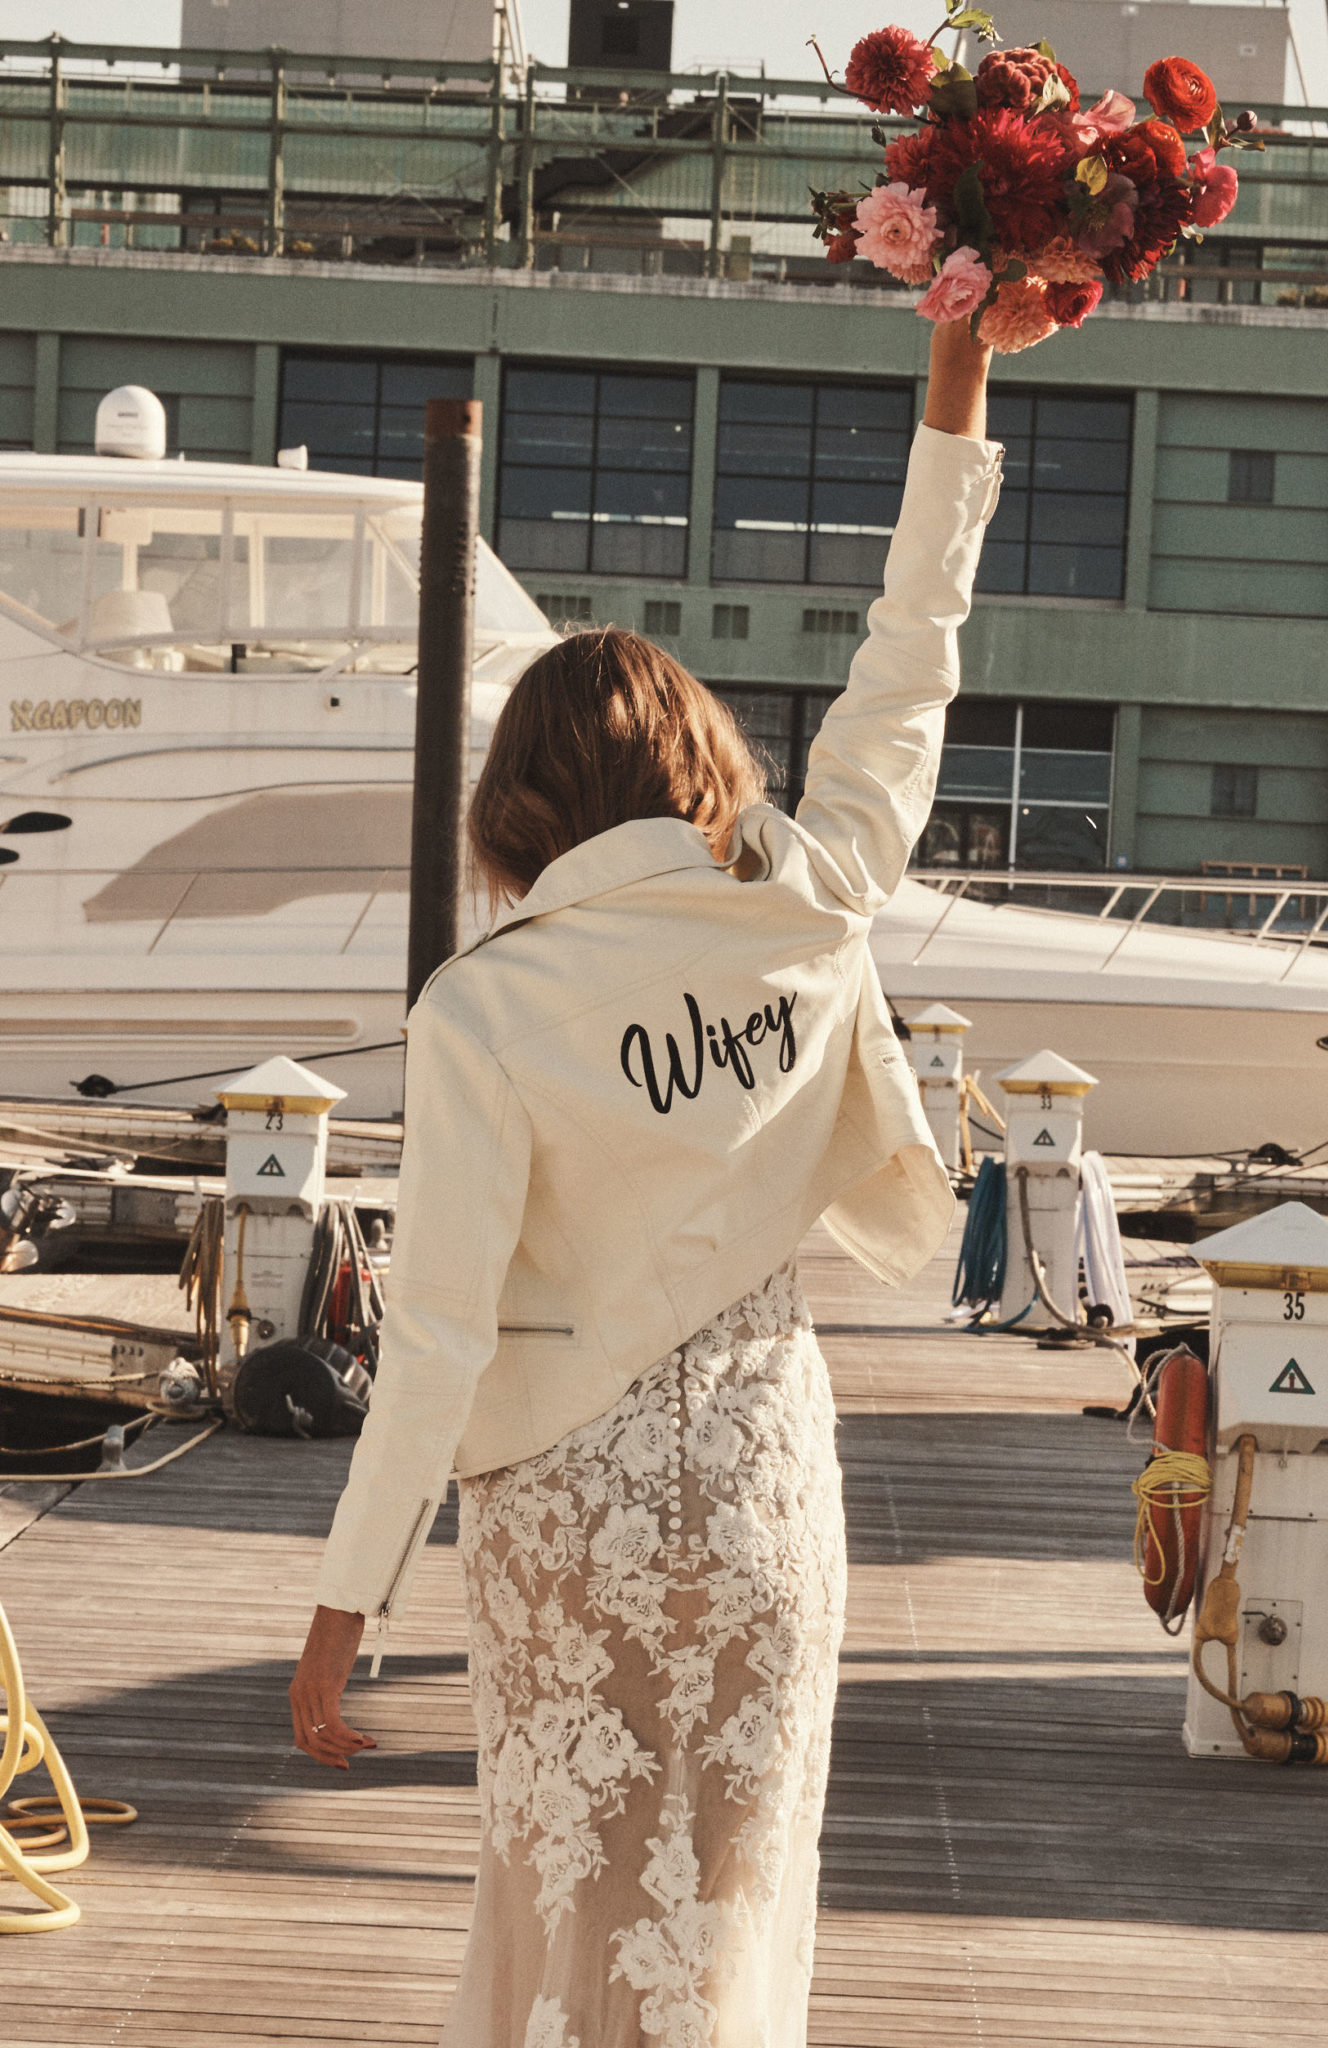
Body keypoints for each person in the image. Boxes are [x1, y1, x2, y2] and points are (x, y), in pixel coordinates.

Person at [290, 318, 1000, 2048]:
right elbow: (911, 663)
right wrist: (956, 378)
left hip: (565, 1508)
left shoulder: (483, 1005)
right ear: (698, 767)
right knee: (730, 1900)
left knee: (570, 1890)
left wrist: (341, 1608)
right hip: (761, 1479)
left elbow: (439, 1334)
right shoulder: (811, 902)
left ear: (516, 796)